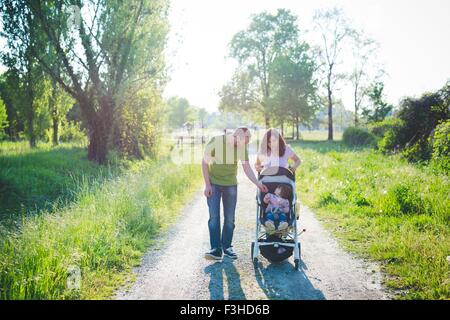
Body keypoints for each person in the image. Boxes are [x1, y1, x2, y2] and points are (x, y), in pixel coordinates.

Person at [202, 127, 268, 261]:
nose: (247, 143)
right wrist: (207, 184)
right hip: (214, 183)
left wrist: (258, 183)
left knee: (229, 218)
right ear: (238, 136)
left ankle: (227, 247)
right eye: (246, 139)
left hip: (230, 185)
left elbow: (247, 167)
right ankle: (215, 249)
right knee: (214, 217)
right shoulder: (216, 141)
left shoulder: (241, 147)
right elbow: (204, 163)